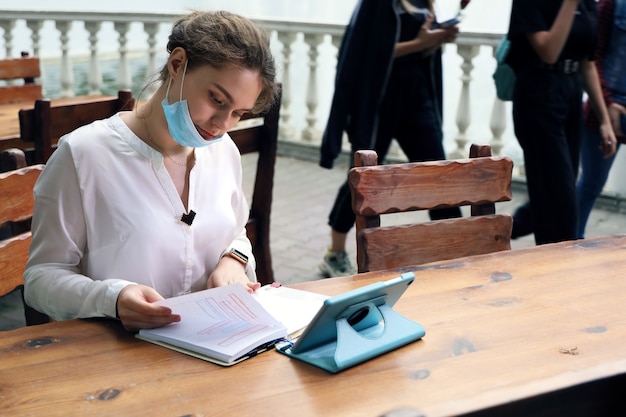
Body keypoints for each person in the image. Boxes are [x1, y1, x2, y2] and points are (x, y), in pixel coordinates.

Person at [23, 11, 279, 331]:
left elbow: (234, 231)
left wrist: (234, 260)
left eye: (239, 113)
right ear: (177, 64)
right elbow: (40, 278)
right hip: (119, 361)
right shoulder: (84, 155)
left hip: (216, 349)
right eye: (216, 99)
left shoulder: (223, 151)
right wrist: (112, 298)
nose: (222, 125)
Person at [318, 0, 461, 277]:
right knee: (363, 178)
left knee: (439, 176)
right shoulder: (377, 4)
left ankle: (454, 249)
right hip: (379, 103)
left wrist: (438, 39)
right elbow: (369, 54)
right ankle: (334, 253)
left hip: (418, 99)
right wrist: (421, 42)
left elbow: (421, 51)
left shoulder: (423, 2)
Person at [507, 0, 616, 245]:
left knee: (554, 195)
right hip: (538, 96)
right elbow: (549, 52)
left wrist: (604, 120)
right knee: (562, 202)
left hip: (570, 96)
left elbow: (587, 64)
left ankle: (506, 230)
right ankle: (558, 267)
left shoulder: (586, 4)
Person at [576, 0, 626, 238]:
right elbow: (592, 58)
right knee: (591, 185)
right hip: (607, 109)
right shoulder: (610, 5)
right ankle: (568, 246)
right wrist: (607, 106)